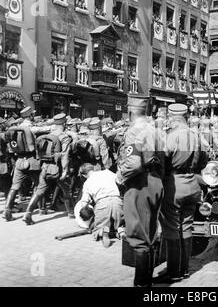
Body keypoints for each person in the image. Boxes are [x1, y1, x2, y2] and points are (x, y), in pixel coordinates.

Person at [153, 104, 208, 284]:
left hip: (174, 185)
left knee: (171, 229)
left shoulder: (171, 136)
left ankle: (174, 272)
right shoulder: (196, 135)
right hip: (192, 183)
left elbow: (162, 162)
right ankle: (184, 270)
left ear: (172, 117)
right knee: (186, 227)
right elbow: (203, 161)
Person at [116, 95, 165, 288]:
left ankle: (142, 285)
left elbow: (134, 163)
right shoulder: (156, 130)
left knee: (138, 235)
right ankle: (147, 281)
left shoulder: (134, 131)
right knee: (150, 232)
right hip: (155, 182)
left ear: (130, 112)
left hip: (139, 184)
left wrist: (120, 176)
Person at [22, 114, 74, 225]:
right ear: (64, 124)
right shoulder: (64, 137)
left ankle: (28, 213)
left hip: (45, 167)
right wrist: (65, 170)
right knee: (66, 191)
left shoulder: (48, 135)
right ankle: (71, 213)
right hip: (58, 168)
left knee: (39, 191)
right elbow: (65, 155)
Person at [77, 163, 124, 248]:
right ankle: (121, 230)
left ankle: (103, 232)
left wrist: (90, 209)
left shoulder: (87, 182)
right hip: (117, 201)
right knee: (120, 222)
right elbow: (120, 181)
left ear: (84, 175)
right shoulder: (107, 172)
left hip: (102, 203)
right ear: (93, 168)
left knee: (98, 228)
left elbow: (84, 203)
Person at [2, 122, 41, 221]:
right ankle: (29, 213)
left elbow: (10, 150)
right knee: (39, 187)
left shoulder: (11, 133)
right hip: (32, 162)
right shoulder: (27, 132)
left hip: (19, 161)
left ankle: (7, 211)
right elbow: (34, 147)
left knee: (14, 187)